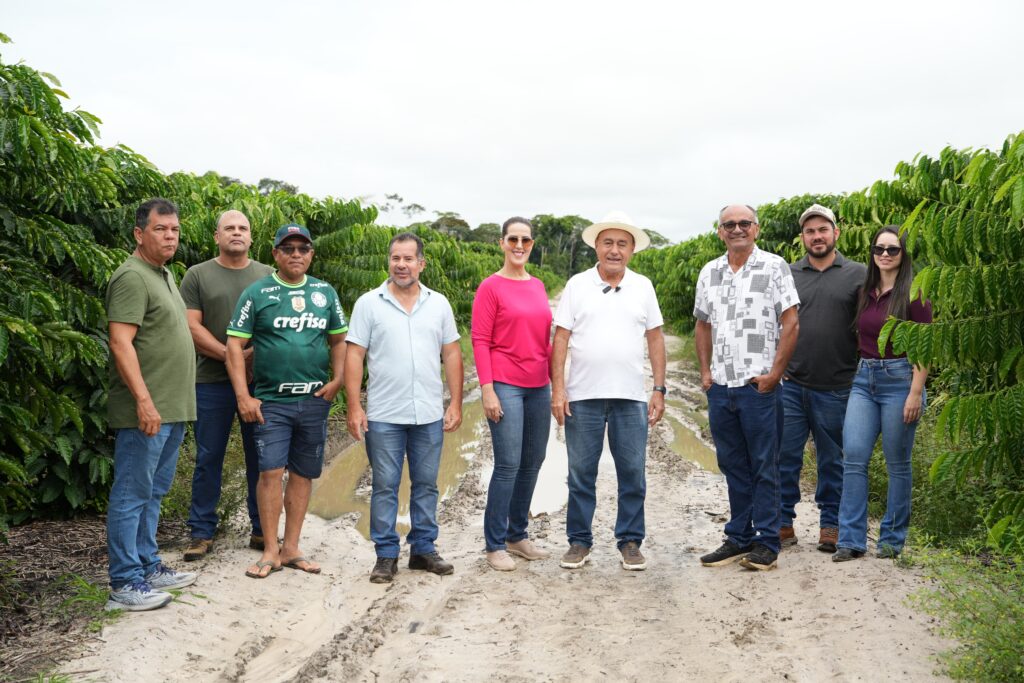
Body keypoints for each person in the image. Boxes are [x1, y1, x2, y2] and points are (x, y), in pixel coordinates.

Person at [226, 223, 347, 579]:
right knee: (270, 472)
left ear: (311, 254)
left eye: (303, 249)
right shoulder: (257, 293)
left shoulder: (325, 292)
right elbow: (234, 345)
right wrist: (243, 396)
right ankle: (270, 550)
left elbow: (340, 340)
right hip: (270, 402)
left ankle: (292, 548)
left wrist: (338, 380)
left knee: (303, 474)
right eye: (288, 249)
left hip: (313, 400)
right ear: (276, 254)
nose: (296, 254)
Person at [345, 232, 464, 584]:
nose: (401, 264)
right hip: (384, 414)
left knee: (426, 484)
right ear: (389, 262)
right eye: (396, 258)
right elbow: (354, 354)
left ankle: (423, 549)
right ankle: (386, 555)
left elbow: (451, 353)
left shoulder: (438, 304)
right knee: (385, 485)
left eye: (408, 258)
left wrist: (456, 402)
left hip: (428, 413)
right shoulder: (369, 304)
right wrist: (354, 406)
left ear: (421, 264)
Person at [551, 211, 666, 571]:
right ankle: (579, 541)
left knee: (632, 472)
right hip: (582, 397)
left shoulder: (643, 286)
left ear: (631, 250)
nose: (614, 250)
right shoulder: (577, 285)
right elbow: (561, 338)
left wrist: (659, 388)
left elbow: (655, 337)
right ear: (597, 247)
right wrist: (558, 389)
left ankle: (630, 541)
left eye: (622, 244)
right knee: (580, 474)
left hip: (630, 398)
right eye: (608, 243)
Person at [105, 198, 198, 611]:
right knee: (131, 493)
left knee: (153, 492)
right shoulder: (131, 277)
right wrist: (144, 401)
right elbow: (120, 342)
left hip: (172, 408)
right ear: (139, 234)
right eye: (161, 229)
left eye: (175, 230)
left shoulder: (163, 274)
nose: (170, 237)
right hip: (147, 411)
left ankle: (147, 564)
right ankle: (124, 583)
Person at [696, 204, 800, 572]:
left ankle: (767, 541)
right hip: (721, 386)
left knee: (764, 465)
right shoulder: (709, 272)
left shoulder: (774, 267)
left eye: (744, 223)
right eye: (729, 224)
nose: (737, 229)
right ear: (720, 231)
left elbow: (791, 322)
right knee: (733, 465)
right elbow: (702, 324)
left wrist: (774, 374)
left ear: (756, 228)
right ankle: (738, 537)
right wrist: (705, 373)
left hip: (759, 387)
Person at [833, 226, 931, 561]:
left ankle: (891, 540)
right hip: (864, 379)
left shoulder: (915, 294)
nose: (885, 255)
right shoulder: (866, 291)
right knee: (853, 456)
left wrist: (915, 392)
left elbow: (925, 347)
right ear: (872, 253)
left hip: (901, 380)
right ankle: (850, 540)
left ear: (904, 254)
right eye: (879, 249)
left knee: (897, 463)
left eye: (892, 249)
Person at [180, 210, 273, 561]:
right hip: (211, 382)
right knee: (208, 457)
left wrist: (250, 357)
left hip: (258, 382)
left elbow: (276, 326)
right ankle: (201, 531)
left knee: (261, 457)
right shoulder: (197, 275)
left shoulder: (268, 275)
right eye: (229, 228)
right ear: (216, 236)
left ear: (251, 237)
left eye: (243, 228)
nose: (236, 233)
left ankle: (261, 528)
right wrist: (231, 356)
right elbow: (191, 326)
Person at [778, 205, 867, 553]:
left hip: (837, 385)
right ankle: (782, 522)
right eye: (810, 231)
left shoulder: (858, 274)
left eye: (823, 230)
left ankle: (831, 523)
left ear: (835, 233)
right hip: (791, 383)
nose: (817, 236)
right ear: (802, 237)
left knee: (832, 460)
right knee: (785, 457)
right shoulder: (787, 274)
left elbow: (870, 323)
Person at [472, 217, 553, 571]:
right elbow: (480, 340)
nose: (520, 246)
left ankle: (516, 535)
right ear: (502, 243)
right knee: (508, 464)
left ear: (532, 244)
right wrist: (487, 389)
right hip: (505, 383)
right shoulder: (490, 287)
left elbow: (545, 340)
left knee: (534, 460)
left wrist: (557, 385)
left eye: (526, 240)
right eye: (513, 239)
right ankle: (494, 544)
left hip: (539, 385)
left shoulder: (538, 286)